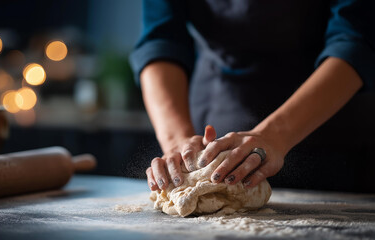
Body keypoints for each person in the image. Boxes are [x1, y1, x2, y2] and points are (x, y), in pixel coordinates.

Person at [129, 0, 375, 193]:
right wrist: (176, 141)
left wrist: (275, 135)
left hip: (327, 128)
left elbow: (356, 37)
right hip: (217, 118)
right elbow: (161, 38)